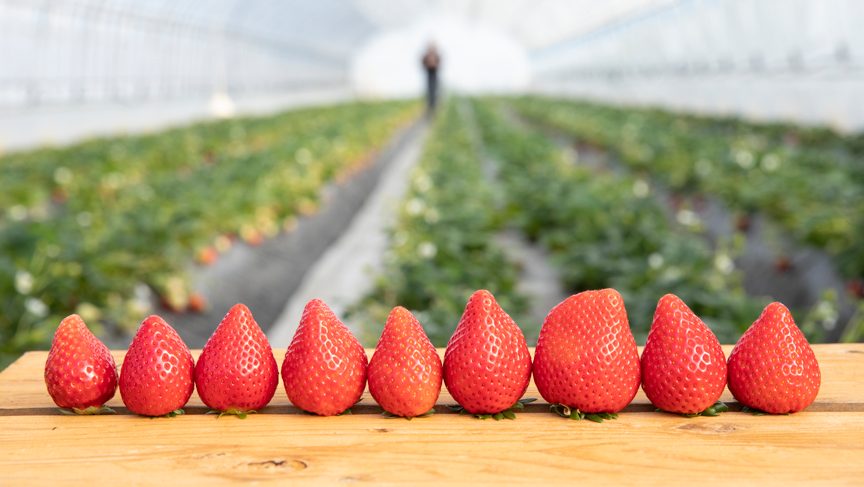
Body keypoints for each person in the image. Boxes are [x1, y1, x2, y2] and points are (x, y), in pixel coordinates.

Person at [421, 43, 440, 113]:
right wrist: (427, 66)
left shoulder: (436, 55)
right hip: (429, 72)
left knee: (434, 88)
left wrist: (435, 65)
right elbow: (423, 61)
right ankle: (429, 105)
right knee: (429, 89)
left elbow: (439, 61)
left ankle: (434, 104)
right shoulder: (427, 55)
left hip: (434, 72)